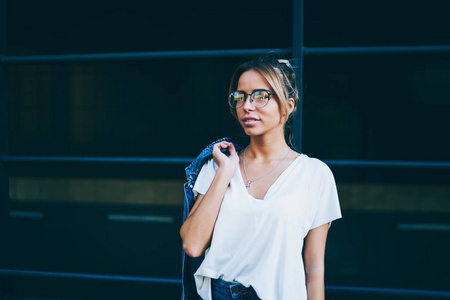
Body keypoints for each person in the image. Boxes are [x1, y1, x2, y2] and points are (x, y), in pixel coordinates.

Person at [180, 56, 341, 300]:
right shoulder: (218, 165)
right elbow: (192, 245)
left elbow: (314, 270)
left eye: (260, 96)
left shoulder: (315, 175)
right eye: (240, 97)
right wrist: (225, 172)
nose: (247, 106)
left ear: (288, 105)